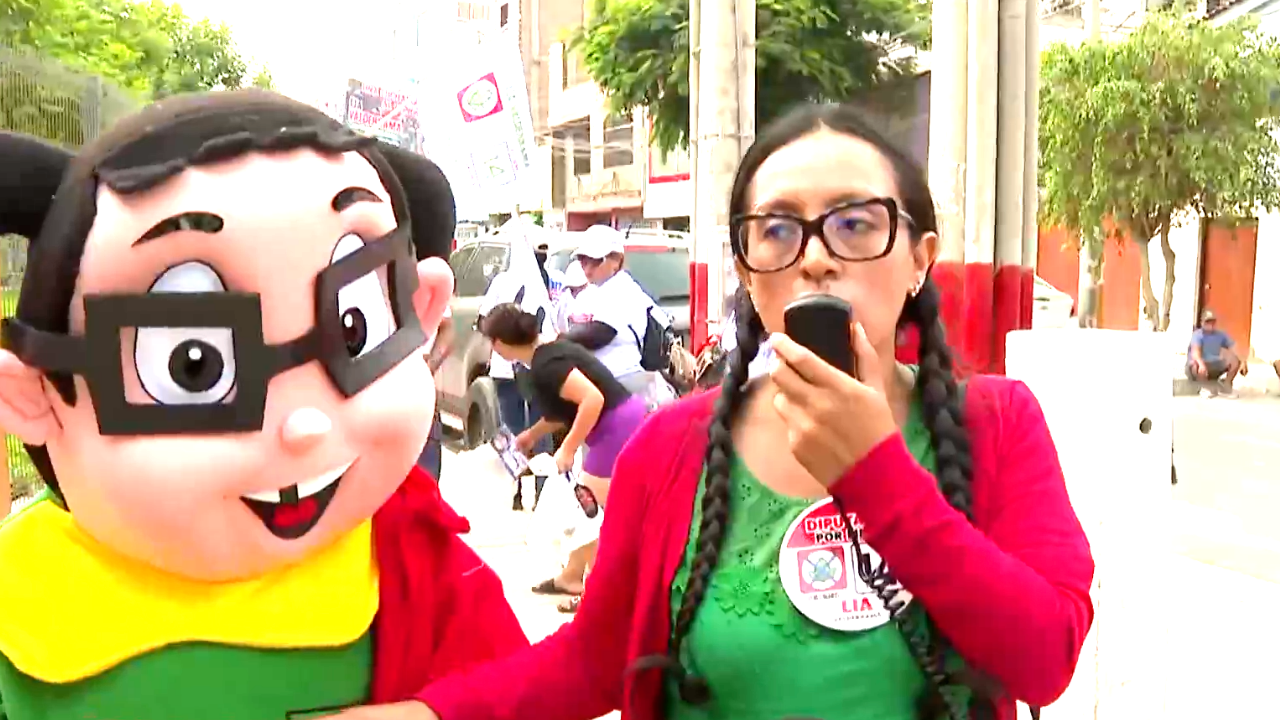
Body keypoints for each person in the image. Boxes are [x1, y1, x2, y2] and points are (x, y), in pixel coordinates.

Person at [339, 102, 1096, 720]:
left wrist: (877, 476)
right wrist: (430, 714)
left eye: (856, 224)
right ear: (746, 271)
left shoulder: (998, 422)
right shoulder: (674, 447)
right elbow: (592, 662)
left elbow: (1045, 659)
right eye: (778, 230)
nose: (816, 257)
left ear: (920, 258)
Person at [0, 91, 528, 719]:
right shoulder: (21, 602)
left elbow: (521, 693)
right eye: (194, 364)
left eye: (353, 329)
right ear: (34, 393)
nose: (305, 424)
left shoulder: (419, 574)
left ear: (420, 309)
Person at [480, 301, 648, 614]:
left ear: (500, 343)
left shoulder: (547, 364)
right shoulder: (547, 353)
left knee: (592, 517)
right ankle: (572, 577)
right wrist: (532, 435)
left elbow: (592, 399)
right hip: (620, 420)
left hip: (615, 427)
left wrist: (568, 447)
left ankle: (602, 596)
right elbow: (566, 408)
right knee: (587, 512)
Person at [477, 221, 557, 510]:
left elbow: (483, 319)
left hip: (504, 368)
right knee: (540, 427)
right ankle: (544, 492)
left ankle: (517, 493)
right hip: (538, 366)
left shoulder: (501, 282)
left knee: (511, 429)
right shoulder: (548, 282)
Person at [564, 225, 674, 404]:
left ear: (616, 261)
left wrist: (560, 340)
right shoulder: (595, 291)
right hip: (603, 380)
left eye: (595, 261)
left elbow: (602, 333)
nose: (587, 268)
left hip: (622, 379)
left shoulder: (621, 288)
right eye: (583, 260)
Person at [417, 306, 454, 480]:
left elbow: (447, 327)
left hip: (418, 388)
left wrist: (430, 365)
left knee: (426, 475)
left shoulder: (427, 288)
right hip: (369, 388)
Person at [1187, 309, 1243, 398]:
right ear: (1202, 323)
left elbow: (1233, 346)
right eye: (1207, 322)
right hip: (1199, 367)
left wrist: (1243, 360)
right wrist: (1201, 364)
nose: (1210, 324)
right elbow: (1195, 352)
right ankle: (1204, 388)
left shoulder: (1220, 335)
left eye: (1212, 321)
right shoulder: (1197, 335)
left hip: (1213, 364)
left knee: (1235, 361)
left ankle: (1226, 386)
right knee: (1195, 364)